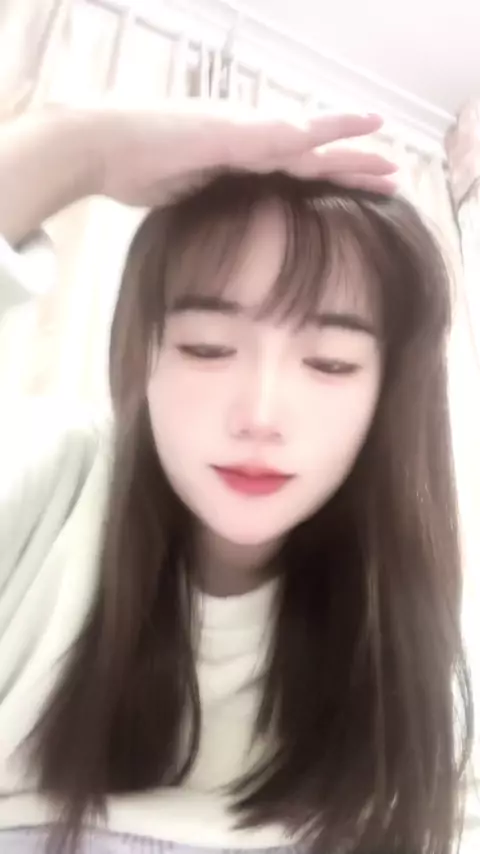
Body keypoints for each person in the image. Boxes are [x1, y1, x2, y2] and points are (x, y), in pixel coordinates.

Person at [0, 101, 473, 854]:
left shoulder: (424, 666)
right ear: (142, 355)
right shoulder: (46, 485)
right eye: (208, 347)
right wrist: (83, 152)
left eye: (330, 363)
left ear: (387, 399)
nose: (259, 415)